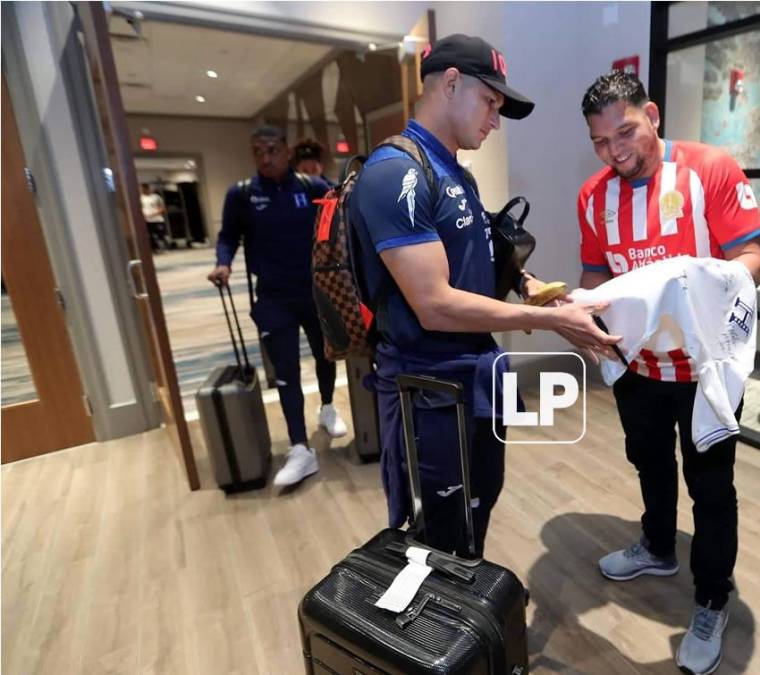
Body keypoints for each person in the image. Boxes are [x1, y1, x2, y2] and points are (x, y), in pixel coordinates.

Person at [349, 34, 621, 557]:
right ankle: (438, 628)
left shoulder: (456, 173)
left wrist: (527, 283)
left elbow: (479, 256)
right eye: (490, 102)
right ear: (451, 84)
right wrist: (551, 325)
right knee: (440, 530)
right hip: (427, 390)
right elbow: (434, 303)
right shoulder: (395, 174)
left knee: (480, 501)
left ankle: (469, 608)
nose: (495, 120)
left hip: (474, 374)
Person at [575, 70, 760, 675]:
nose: (615, 150)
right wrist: (580, 314)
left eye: (625, 131)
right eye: (601, 142)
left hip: (704, 372)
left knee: (711, 489)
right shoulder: (592, 197)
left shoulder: (711, 169)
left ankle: (711, 598)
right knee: (648, 463)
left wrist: (692, 286)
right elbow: (593, 278)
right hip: (638, 369)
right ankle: (657, 546)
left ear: (652, 114)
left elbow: (752, 262)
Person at [207, 126, 347, 488]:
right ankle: (300, 448)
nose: (265, 158)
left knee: (325, 355)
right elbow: (228, 237)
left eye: (272, 150)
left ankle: (327, 407)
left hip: (316, 291)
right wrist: (224, 263)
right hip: (273, 296)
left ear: (287, 151)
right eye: (258, 152)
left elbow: (342, 213)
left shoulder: (310, 187)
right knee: (285, 372)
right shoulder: (241, 195)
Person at [140, 182, 168, 252]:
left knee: (160, 235)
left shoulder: (156, 197)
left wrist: (155, 213)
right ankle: (155, 249)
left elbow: (162, 208)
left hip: (157, 219)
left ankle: (164, 247)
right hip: (147, 220)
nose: (142, 191)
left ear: (147, 188)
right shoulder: (140, 198)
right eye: (141, 189)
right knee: (150, 235)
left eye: (143, 189)